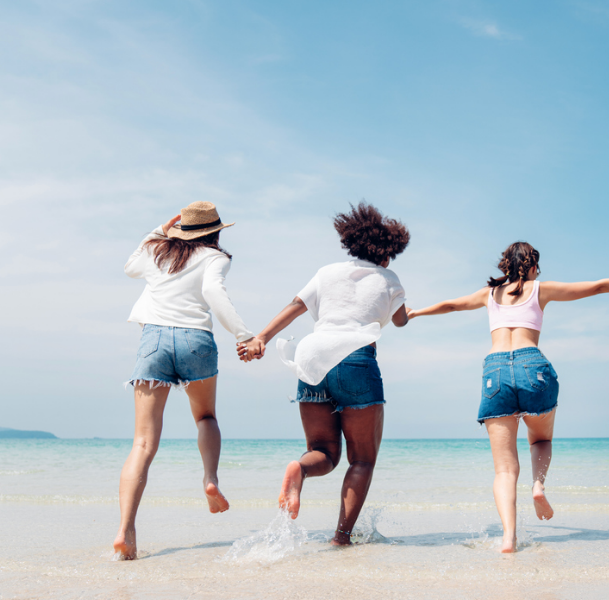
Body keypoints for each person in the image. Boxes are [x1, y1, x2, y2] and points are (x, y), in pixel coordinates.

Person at [407, 242, 609, 553]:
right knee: (540, 439)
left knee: (504, 470)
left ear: (505, 267)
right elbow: (597, 286)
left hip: (495, 370)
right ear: (532, 267)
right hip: (532, 365)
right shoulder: (539, 289)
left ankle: (509, 538)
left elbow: (451, 305)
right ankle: (538, 485)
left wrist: (415, 312)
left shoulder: (489, 294)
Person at [238, 202, 409, 546]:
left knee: (324, 452)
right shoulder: (389, 280)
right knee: (361, 460)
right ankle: (341, 537)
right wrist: (402, 309)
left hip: (312, 357)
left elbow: (295, 307)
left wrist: (261, 338)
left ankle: (300, 469)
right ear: (387, 252)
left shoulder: (327, 272)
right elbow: (401, 320)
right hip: (356, 359)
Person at [114, 201, 254, 560]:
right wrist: (243, 334)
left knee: (143, 443)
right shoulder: (216, 258)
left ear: (182, 229)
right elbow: (214, 294)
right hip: (196, 340)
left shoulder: (156, 251)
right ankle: (210, 479)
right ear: (215, 231)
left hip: (154, 340)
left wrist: (158, 231)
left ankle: (126, 530)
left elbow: (129, 267)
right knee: (205, 417)